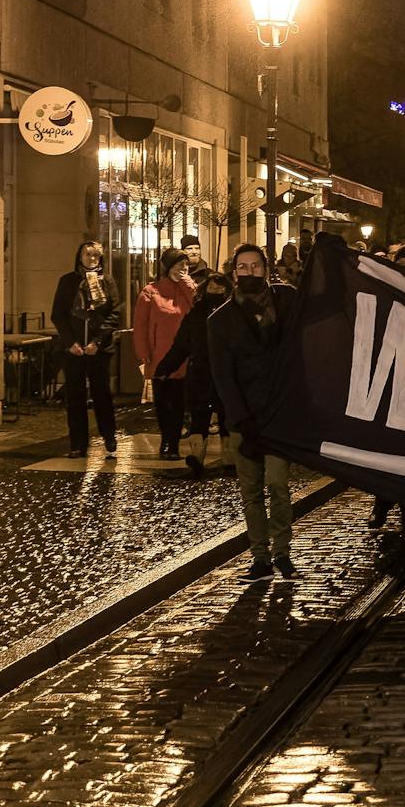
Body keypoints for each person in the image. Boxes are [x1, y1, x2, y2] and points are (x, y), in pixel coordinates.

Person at [208, 243, 300, 580]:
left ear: (266, 268)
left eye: (255, 266)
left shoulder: (285, 300)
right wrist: (241, 420)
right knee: (250, 491)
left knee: (277, 484)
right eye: (242, 267)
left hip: (277, 414)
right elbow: (222, 375)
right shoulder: (219, 320)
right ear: (234, 273)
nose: (249, 273)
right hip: (243, 418)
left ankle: (283, 552)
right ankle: (259, 557)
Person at [156, 267, 233, 476]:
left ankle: (230, 458)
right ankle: (197, 457)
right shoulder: (196, 313)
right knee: (199, 416)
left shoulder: (233, 312)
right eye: (212, 284)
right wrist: (165, 367)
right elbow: (182, 344)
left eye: (219, 284)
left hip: (226, 373)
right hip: (200, 373)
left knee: (228, 417)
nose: (215, 288)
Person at [52, 241, 121, 459]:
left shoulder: (107, 281)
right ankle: (78, 444)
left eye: (95, 256)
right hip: (74, 350)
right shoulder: (68, 282)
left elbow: (114, 313)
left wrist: (98, 341)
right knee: (75, 396)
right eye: (87, 255)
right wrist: (70, 342)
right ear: (79, 256)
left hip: (98, 349)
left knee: (102, 393)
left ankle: (108, 435)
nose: (91, 259)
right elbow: (59, 314)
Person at [132, 250, 196, 458]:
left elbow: (198, 306)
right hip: (160, 356)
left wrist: (187, 284)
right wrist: (143, 354)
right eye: (178, 265)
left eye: (185, 265)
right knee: (163, 402)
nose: (182, 269)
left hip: (184, 357)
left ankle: (174, 443)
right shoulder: (151, 292)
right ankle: (167, 441)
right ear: (167, 267)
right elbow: (140, 325)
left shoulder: (189, 289)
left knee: (179, 401)